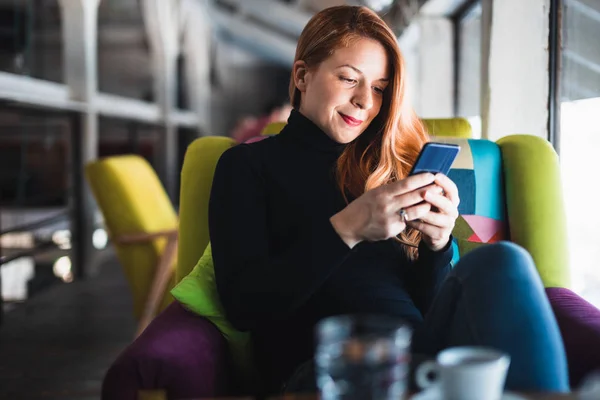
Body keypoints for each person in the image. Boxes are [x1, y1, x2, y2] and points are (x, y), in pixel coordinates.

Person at [208, 5, 569, 396]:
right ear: (302, 75)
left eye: (379, 88)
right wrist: (347, 228)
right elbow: (244, 307)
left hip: (422, 356)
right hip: (327, 368)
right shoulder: (246, 166)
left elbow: (425, 308)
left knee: (504, 260)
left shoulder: (386, 167)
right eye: (349, 78)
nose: (365, 101)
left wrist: (437, 246)